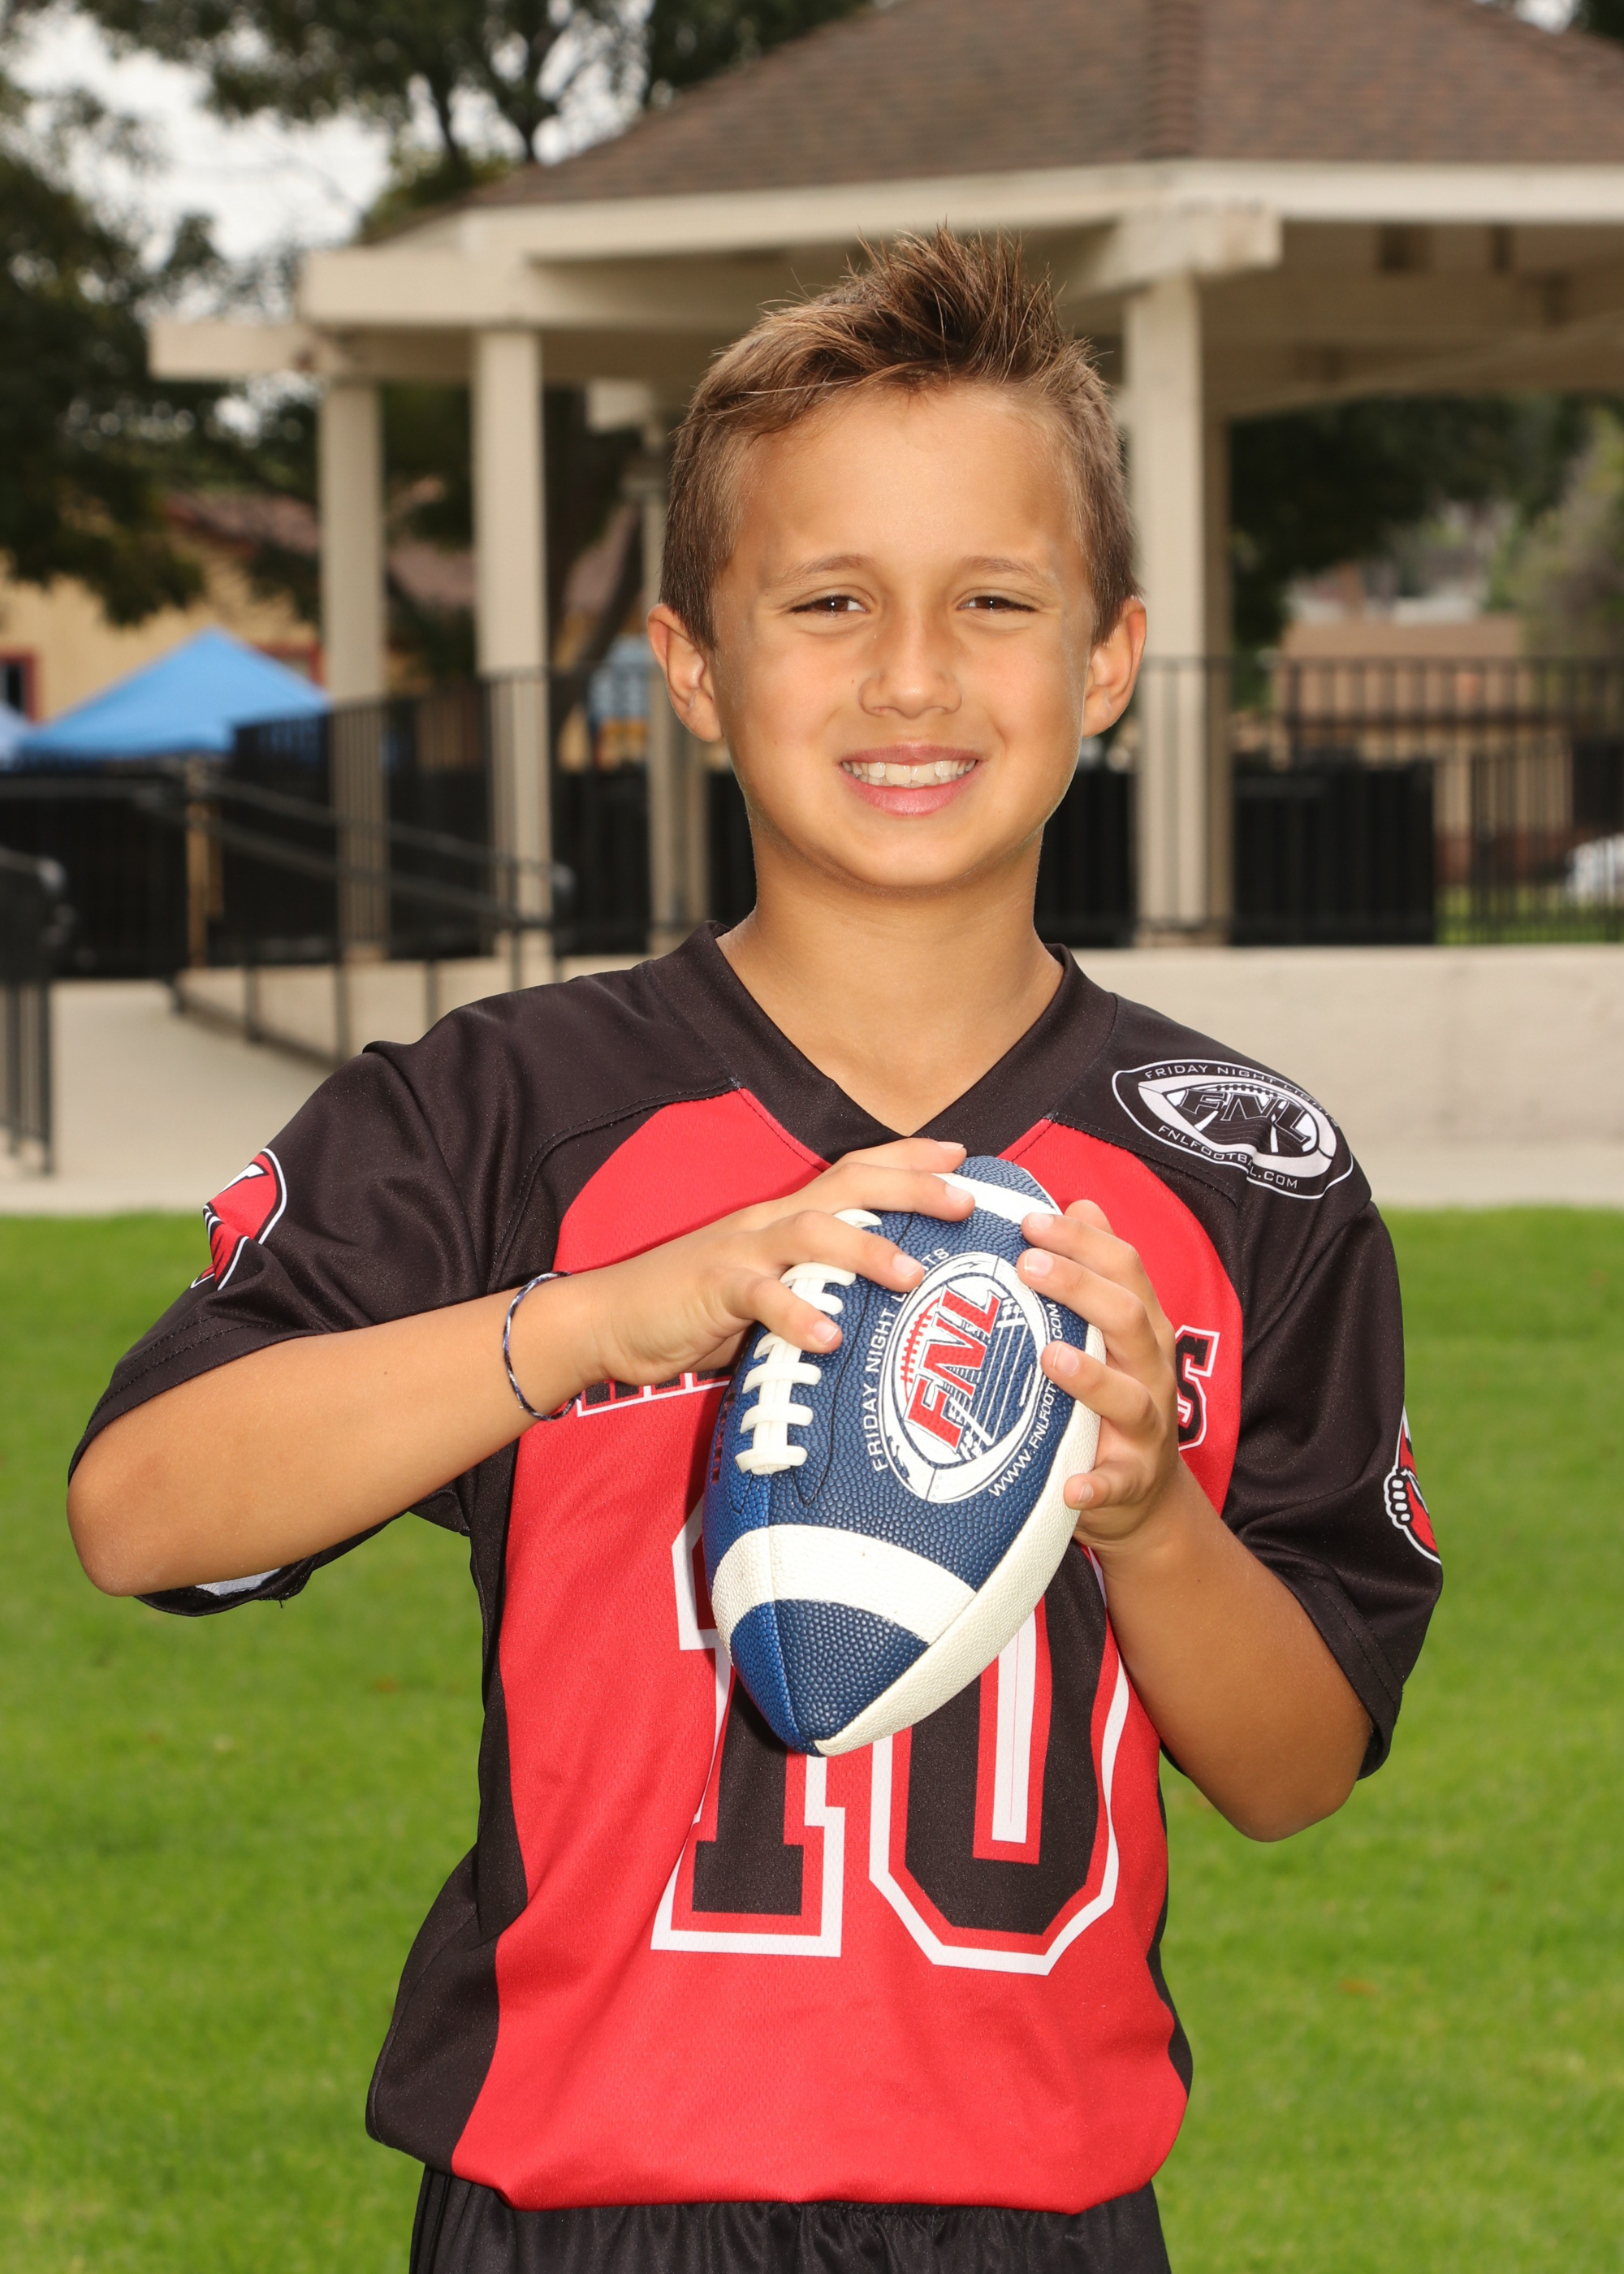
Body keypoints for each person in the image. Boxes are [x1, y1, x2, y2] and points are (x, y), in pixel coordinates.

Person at [67, 232, 1440, 2274]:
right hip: (583, 2205)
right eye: (828, 600)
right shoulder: (505, 1108)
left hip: (1032, 2213)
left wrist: (1148, 1512)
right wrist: (602, 1316)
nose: (912, 675)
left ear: (1109, 658)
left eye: (994, 599)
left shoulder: (1244, 1170)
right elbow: (141, 1512)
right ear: (693, 664)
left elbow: (1295, 1765)